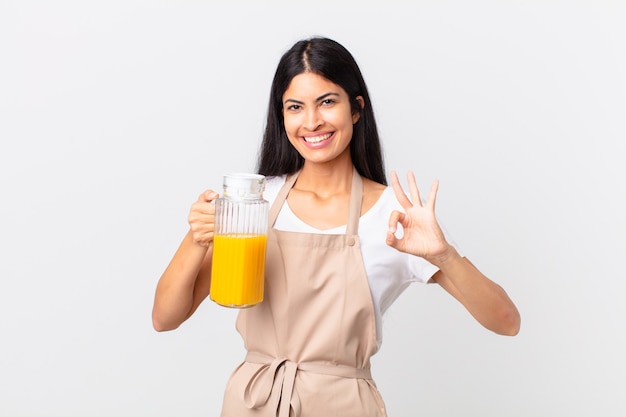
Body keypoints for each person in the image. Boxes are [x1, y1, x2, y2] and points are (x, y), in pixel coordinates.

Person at [152, 36, 520, 417]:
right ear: (282, 116)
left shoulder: (395, 216)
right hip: (253, 403)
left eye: (327, 102)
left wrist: (444, 255)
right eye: (295, 107)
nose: (311, 122)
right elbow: (165, 318)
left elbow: (506, 321)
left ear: (356, 109)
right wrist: (196, 239)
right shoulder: (256, 202)